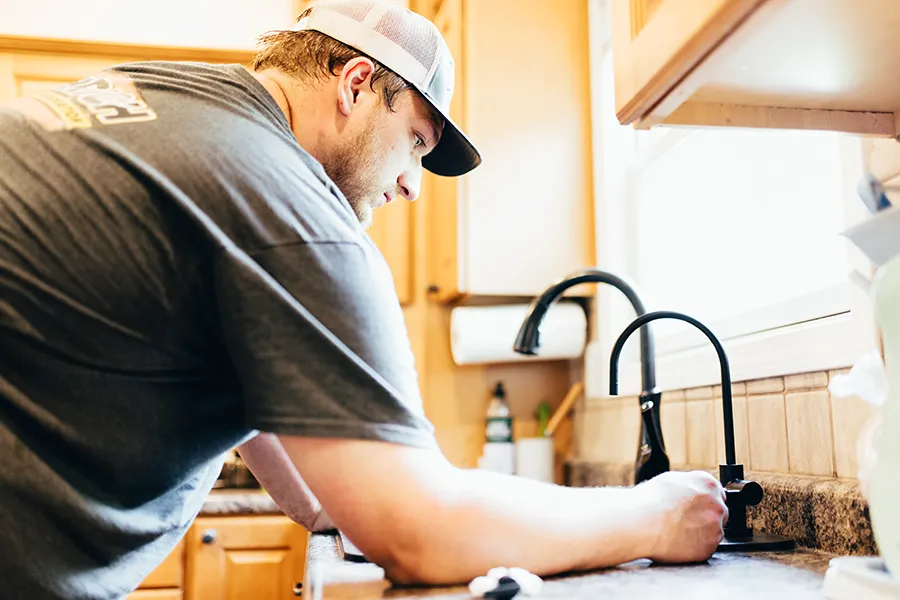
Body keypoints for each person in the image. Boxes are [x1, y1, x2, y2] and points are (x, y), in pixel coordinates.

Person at [0, 1, 728, 598]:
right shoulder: (289, 207)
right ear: (354, 85)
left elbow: (279, 429)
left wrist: (351, 495)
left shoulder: (166, 97)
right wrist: (653, 516)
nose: (412, 185)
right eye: (415, 142)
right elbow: (417, 531)